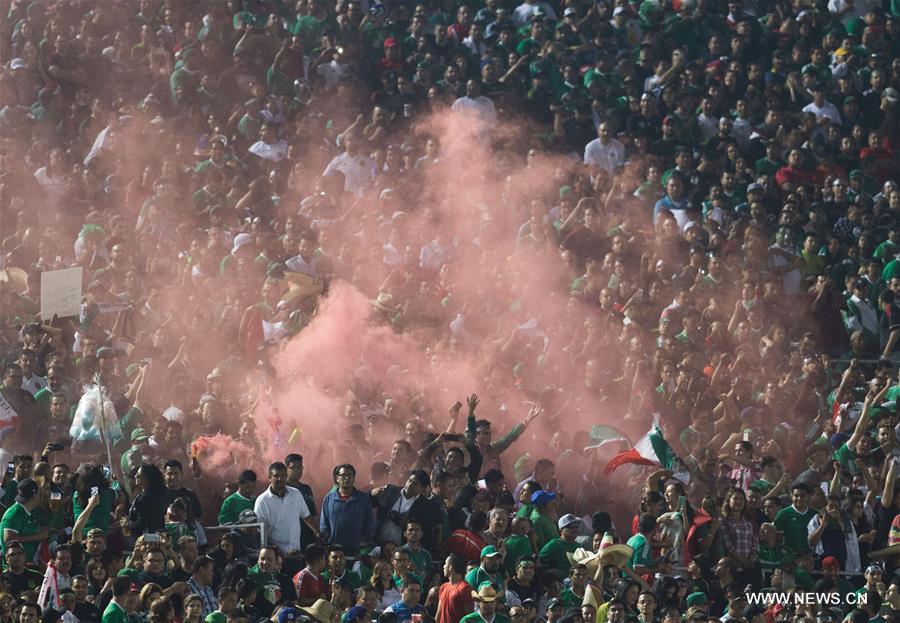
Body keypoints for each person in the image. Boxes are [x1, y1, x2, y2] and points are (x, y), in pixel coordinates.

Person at [254, 462, 319, 558]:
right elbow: (259, 531)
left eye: (282, 475)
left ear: (286, 476)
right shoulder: (262, 501)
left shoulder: (296, 494)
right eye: (276, 476)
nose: (280, 479)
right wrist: (278, 550)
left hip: (296, 553)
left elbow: (306, 516)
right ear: (269, 478)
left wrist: (317, 532)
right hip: (275, 557)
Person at [320, 464, 374, 556]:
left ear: (354, 478)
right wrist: (327, 542)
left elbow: (369, 523)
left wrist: (365, 542)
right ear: (337, 478)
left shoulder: (363, 498)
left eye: (350, 475)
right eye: (344, 475)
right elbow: (324, 525)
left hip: (357, 550)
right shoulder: (329, 498)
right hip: (335, 550)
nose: (347, 478)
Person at [436, 554, 473, 623]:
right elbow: (439, 614)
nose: (443, 567)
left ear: (450, 567)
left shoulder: (465, 588)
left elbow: (470, 617)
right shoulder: (443, 587)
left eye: (445, 564)